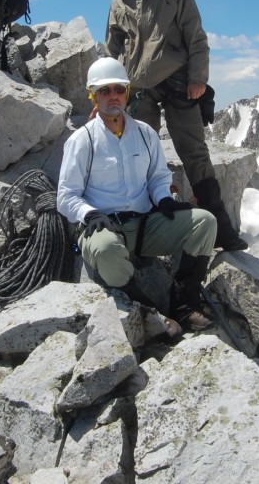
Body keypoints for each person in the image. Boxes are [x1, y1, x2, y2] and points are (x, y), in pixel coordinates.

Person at [105, 0, 249, 252]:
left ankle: (221, 229)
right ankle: (148, 224)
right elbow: (111, 51)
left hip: (178, 84)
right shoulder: (118, 0)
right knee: (139, 153)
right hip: (138, 88)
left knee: (194, 151)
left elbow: (195, 34)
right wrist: (107, 92)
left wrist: (198, 77)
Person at [57, 57, 218, 333]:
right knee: (107, 250)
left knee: (205, 222)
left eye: (118, 89)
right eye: (104, 91)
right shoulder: (82, 140)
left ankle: (183, 303)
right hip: (104, 227)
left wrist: (164, 198)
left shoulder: (145, 134)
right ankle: (150, 313)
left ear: (127, 92)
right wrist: (89, 213)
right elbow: (66, 196)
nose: (113, 96)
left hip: (144, 226)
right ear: (93, 95)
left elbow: (157, 177)